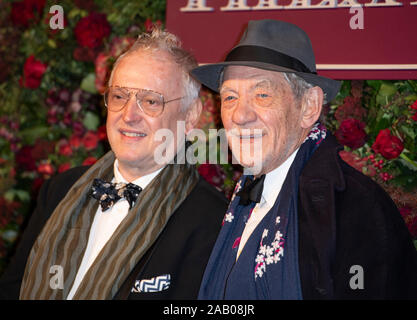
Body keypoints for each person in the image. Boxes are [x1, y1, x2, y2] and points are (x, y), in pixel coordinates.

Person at [191, 19, 417, 299]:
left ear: (309, 106)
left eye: (262, 94)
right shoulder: (242, 198)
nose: (240, 115)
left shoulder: (357, 207)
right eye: (230, 98)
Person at [0, 28, 228, 300]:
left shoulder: (212, 220)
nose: (129, 115)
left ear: (190, 117)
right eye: (119, 96)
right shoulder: (59, 191)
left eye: (151, 101)